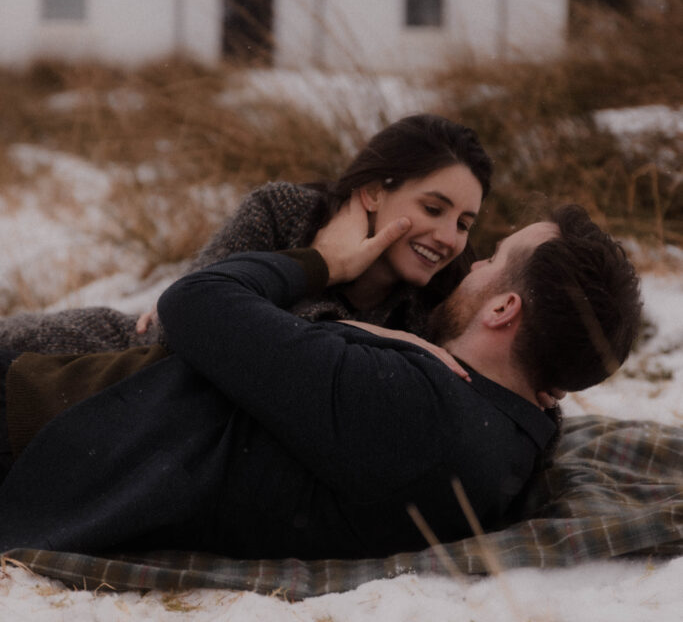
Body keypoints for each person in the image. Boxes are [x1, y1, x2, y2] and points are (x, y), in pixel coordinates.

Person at [0, 199, 641, 560]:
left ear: (504, 310)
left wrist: (323, 261)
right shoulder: (508, 427)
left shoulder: (410, 407)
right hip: (74, 414)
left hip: (40, 431)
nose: (472, 265)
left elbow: (193, 302)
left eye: (495, 261)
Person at [0, 115, 493, 354]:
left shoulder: (438, 302)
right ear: (371, 191)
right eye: (433, 208)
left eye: (465, 224)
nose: (448, 237)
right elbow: (183, 327)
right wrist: (325, 266)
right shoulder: (284, 214)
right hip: (116, 358)